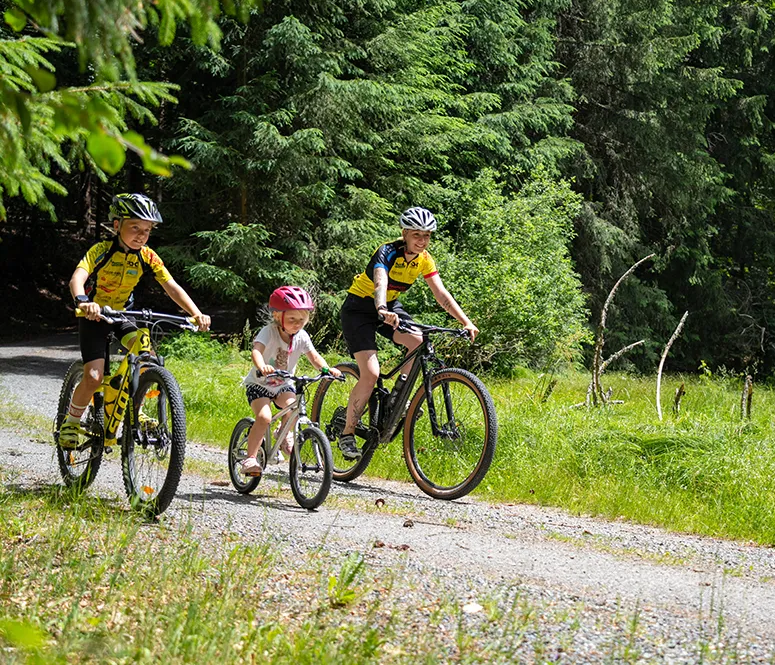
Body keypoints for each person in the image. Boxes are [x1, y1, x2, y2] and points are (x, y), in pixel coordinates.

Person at [60, 193, 211, 448]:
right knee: (94, 376)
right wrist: (84, 301)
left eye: (147, 230)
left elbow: (170, 286)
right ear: (117, 225)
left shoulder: (148, 256)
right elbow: (78, 277)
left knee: (145, 354)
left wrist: (195, 312)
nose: (141, 235)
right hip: (94, 316)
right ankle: (71, 422)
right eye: (135, 227)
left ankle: (134, 409)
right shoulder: (101, 251)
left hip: (121, 315)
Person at [338, 206, 478, 460]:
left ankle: (397, 398)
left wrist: (466, 322)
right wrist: (380, 308)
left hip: (389, 306)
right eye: (416, 235)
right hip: (360, 308)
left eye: (426, 236)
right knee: (370, 373)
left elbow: (441, 295)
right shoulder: (387, 251)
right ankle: (347, 432)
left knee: (419, 342)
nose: (422, 240)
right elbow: (380, 281)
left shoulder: (424, 259)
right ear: (404, 233)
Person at [240, 286, 342, 477]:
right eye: (292, 319)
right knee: (264, 418)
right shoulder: (268, 332)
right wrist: (262, 366)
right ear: (278, 316)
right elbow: (256, 351)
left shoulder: (302, 337)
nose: (297, 324)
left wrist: (327, 369)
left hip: (283, 384)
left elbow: (314, 357)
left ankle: (283, 433)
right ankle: (250, 458)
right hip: (260, 384)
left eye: (302, 320)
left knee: (295, 408)